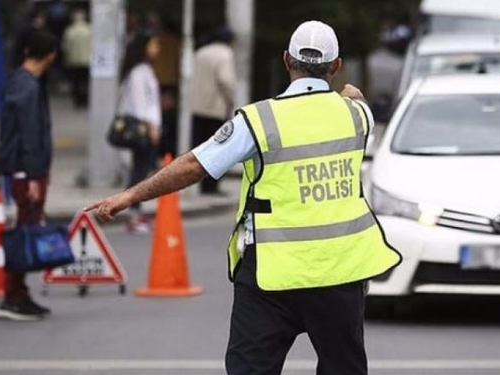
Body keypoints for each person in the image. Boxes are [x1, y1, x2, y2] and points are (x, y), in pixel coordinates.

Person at [85, 20, 402, 374]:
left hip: (271, 276)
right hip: (341, 273)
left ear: (286, 60)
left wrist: (129, 196)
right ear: (337, 66)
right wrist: (349, 95)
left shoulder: (258, 120)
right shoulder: (357, 116)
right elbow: (354, 99)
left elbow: (194, 165)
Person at [0, 30, 57, 321]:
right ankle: (13, 297)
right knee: (24, 232)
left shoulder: (18, 81)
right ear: (50, 56)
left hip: (23, 170)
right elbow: (29, 135)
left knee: (25, 229)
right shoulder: (29, 87)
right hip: (26, 172)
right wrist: (34, 175)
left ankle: (18, 293)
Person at [116, 29, 161, 234]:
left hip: (148, 128)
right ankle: (133, 214)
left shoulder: (145, 70)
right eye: (153, 44)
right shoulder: (138, 72)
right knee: (139, 171)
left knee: (141, 170)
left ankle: (136, 211)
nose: (157, 48)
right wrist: (151, 127)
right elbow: (140, 104)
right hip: (142, 129)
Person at [189, 27, 236, 195]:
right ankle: (212, 187)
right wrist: (231, 99)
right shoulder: (225, 54)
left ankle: (202, 185)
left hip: (197, 107)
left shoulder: (200, 53)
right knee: (218, 150)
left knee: (201, 149)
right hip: (216, 108)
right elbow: (225, 80)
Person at [62, 9, 90, 108]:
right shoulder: (89, 30)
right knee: (86, 82)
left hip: (74, 61)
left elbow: (66, 47)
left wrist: (66, 58)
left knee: (76, 82)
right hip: (87, 61)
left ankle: (78, 100)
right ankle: (85, 99)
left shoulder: (70, 31)